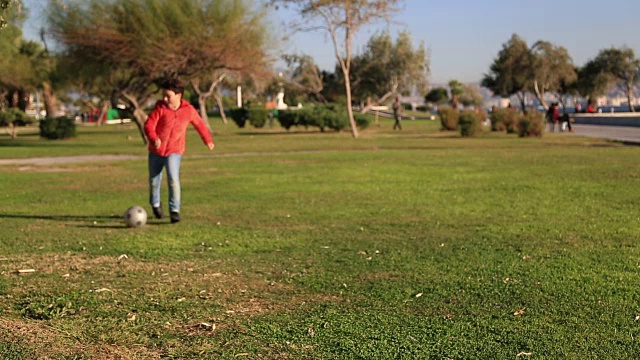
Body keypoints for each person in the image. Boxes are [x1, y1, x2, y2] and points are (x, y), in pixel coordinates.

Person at [144, 78, 215, 224]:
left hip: (174, 150)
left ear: (178, 96)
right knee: (154, 181)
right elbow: (149, 125)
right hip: (156, 152)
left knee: (173, 179)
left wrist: (207, 140)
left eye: (168, 96)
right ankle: (156, 204)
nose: (164, 98)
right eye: (163, 95)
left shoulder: (188, 111)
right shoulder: (160, 108)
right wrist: (154, 138)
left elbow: (200, 124)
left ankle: (174, 210)